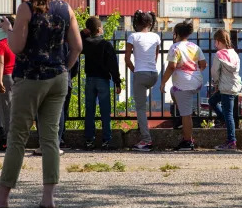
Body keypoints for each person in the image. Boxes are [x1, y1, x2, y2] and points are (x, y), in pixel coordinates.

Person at [0, 0, 82, 208]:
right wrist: (63, 67)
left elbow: (17, 47)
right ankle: (48, 198)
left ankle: (1, 198)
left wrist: (8, 29)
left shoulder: (26, 9)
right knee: (50, 138)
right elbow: (77, 47)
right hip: (58, 79)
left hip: (30, 78)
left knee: (18, 138)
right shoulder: (66, 9)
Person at [160, 21, 206, 152]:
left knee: (187, 115)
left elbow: (171, 66)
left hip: (184, 85)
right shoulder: (195, 47)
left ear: (176, 34)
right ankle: (182, 119)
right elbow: (203, 64)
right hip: (196, 82)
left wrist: (163, 81)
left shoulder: (175, 47)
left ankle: (187, 141)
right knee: (172, 91)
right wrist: (195, 72)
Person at [82, 16, 121, 150]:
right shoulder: (106, 44)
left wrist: (83, 32)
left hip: (90, 79)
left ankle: (89, 140)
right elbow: (113, 65)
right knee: (105, 111)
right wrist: (117, 81)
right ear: (99, 29)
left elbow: (77, 43)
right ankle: (106, 140)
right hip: (103, 80)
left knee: (89, 110)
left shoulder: (86, 43)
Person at [125, 10, 161, 151]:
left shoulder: (133, 36)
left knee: (140, 108)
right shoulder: (156, 37)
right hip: (154, 74)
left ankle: (146, 140)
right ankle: (145, 136)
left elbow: (127, 60)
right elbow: (155, 57)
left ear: (136, 23)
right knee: (143, 104)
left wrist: (136, 71)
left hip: (141, 74)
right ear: (151, 23)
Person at [209, 29, 242, 152]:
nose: (214, 45)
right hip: (233, 85)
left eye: (215, 42)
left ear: (218, 41)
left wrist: (216, 83)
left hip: (224, 87)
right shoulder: (234, 53)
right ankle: (223, 120)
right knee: (212, 101)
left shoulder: (219, 55)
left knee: (229, 114)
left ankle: (231, 141)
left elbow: (214, 72)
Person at [0, 15, 16, 152]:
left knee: (6, 109)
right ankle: (0, 129)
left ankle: (7, 138)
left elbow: (0, 62)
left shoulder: (1, 43)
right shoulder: (15, 42)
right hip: (14, 76)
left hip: (5, 77)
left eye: (0, 24)